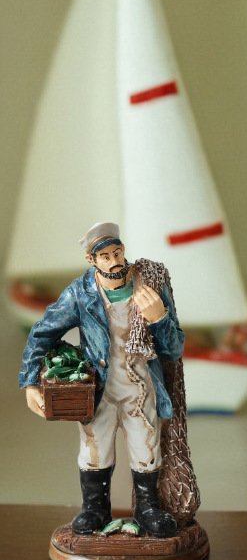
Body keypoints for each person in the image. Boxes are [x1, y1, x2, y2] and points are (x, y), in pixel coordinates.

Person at [20, 222, 183, 537]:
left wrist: (159, 318)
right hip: (100, 388)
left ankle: (148, 508)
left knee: (146, 446)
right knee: (94, 448)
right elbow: (42, 334)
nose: (114, 261)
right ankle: (94, 508)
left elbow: (173, 349)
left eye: (117, 253)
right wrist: (30, 383)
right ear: (91, 260)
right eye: (105, 256)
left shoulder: (149, 286)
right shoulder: (80, 294)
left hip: (141, 385)